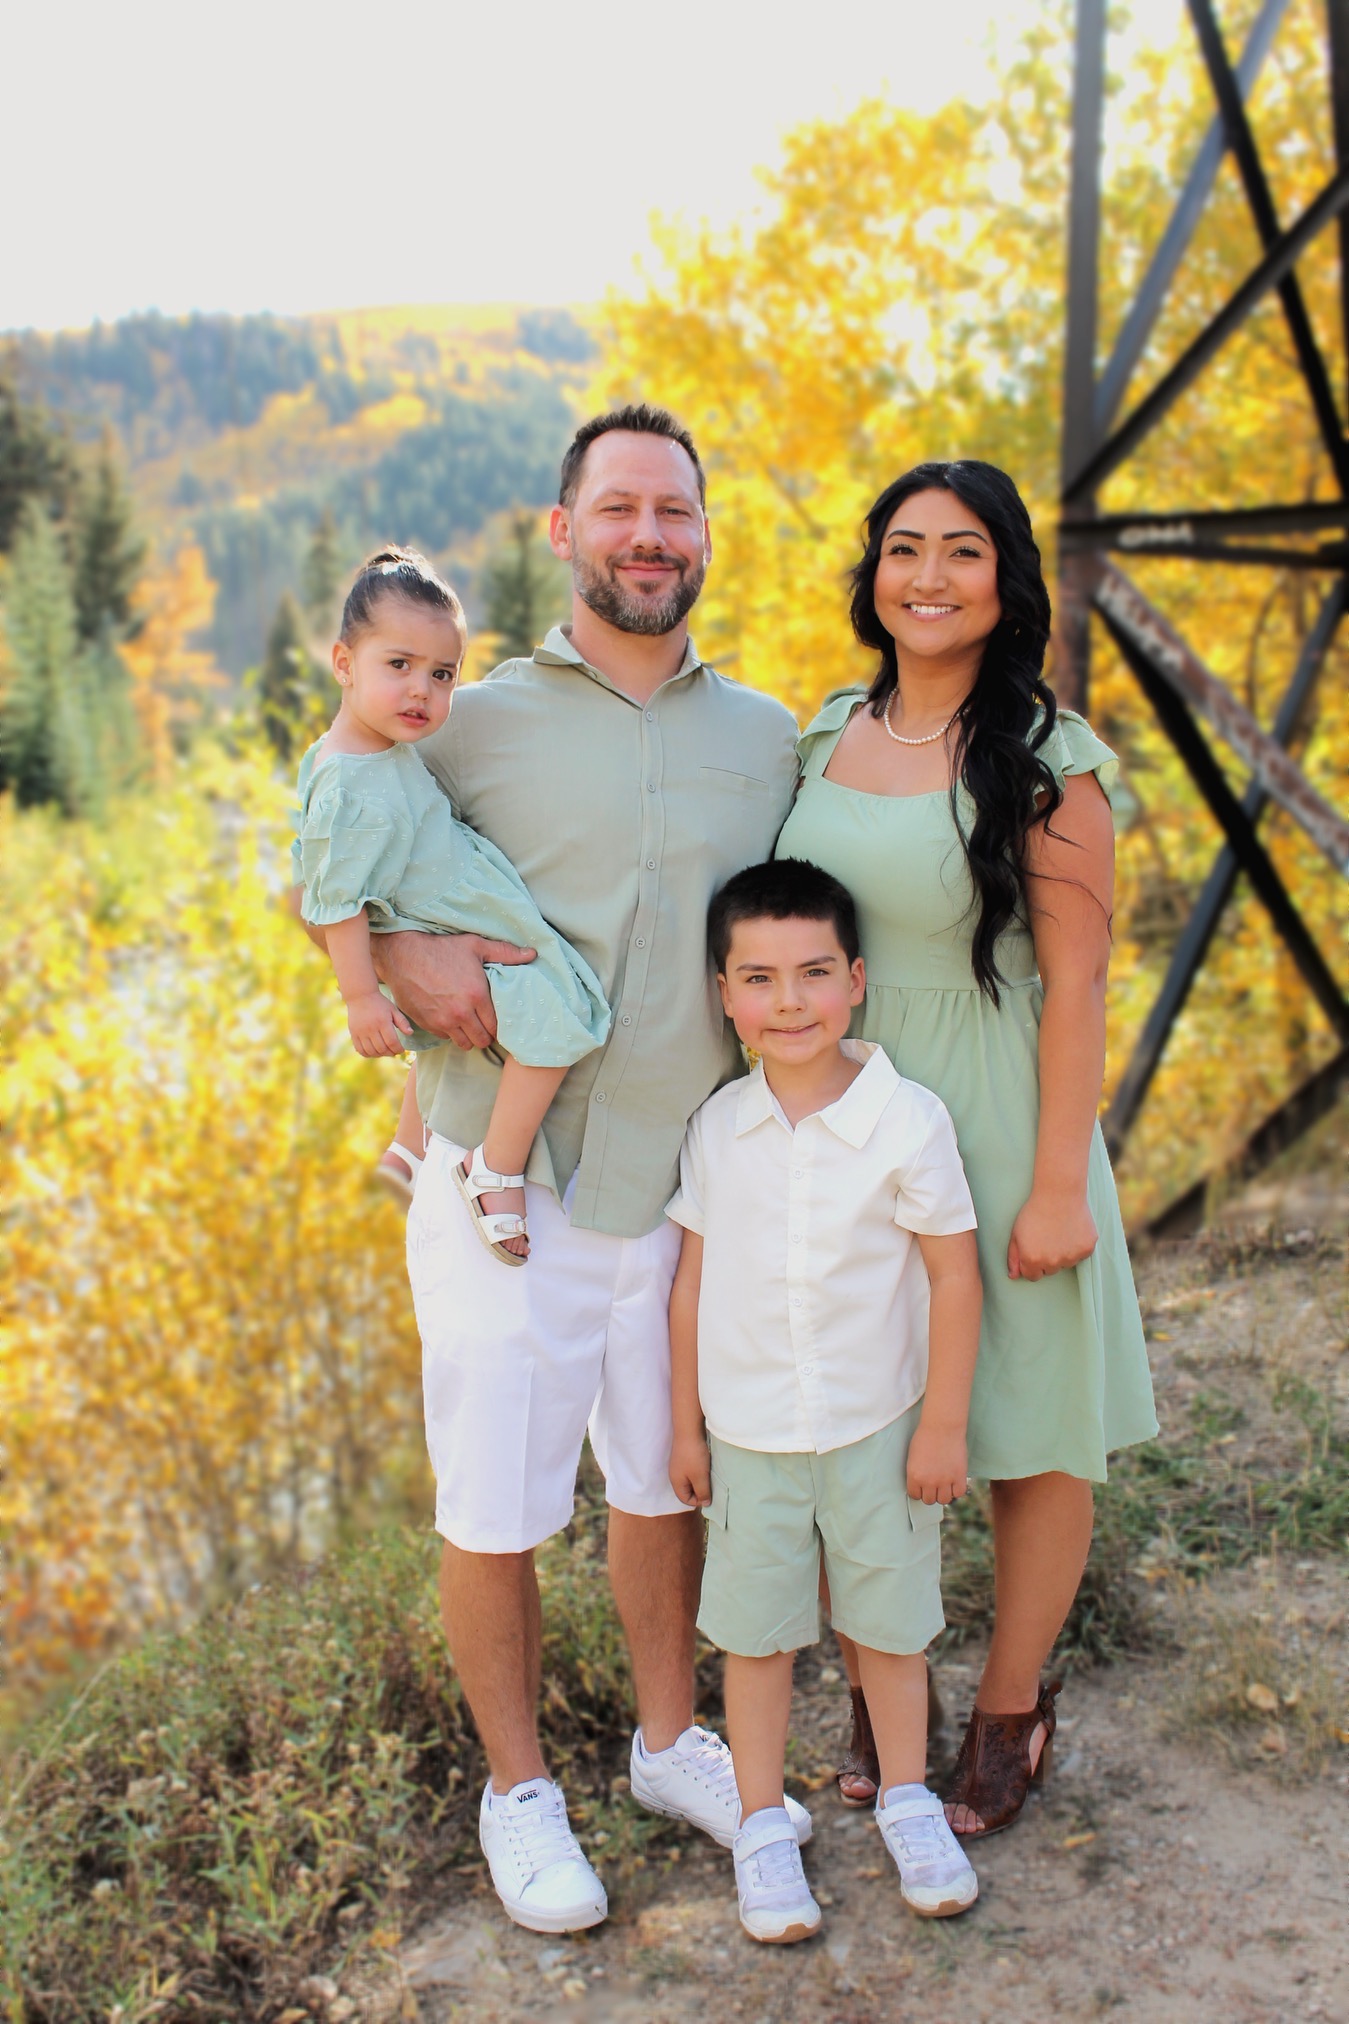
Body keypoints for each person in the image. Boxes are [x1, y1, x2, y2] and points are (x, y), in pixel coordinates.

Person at [311, 406, 804, 1934]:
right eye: (618, 509)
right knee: (497, 1501)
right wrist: (397, 958)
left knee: (663, 1479)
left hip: (683, 1186)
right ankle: (519, 1793)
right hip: (499, 1182)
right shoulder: (467, 718)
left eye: (675, 511)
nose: (648, 536)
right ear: (562, 529)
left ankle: (667, 1744)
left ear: (703, 534)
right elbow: (329, 836)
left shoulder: (766, 737)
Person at [776, 459, 1158, 1835]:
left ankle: (1008, 1708)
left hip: (999, 1112)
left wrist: (1058, 1185)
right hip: (849, 1118)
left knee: (1027, 1424)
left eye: (960, 551)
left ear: (1005, 582)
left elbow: (1079, 983)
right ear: (871, 573)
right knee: (860, 1418)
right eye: (902, 548)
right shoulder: (823, 734)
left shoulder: (1052, 761)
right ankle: (887, 1697)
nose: (926, 576)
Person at [666, 859, 983, 1943]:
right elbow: (690, 1284)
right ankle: (760, 1828)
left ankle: (908, 1801)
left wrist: (943, 1424)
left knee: (886, 1628)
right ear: (724, 994)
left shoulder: (908, 1120)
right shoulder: (717, 1127)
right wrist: (683, 1425)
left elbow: (952, 1275)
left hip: (877, 1424)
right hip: (748, 1431)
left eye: (812, 973)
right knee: (755, 1637)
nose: (788, 1001)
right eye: (757, 978)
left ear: (854, 978)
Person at [296, 546, 611, 1263]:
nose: (422, 691)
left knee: (453, 1028)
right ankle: (494, 1167)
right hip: (445, 910)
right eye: (398, 665)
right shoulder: (351, 784)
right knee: (561, 1009)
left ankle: (410, 1145)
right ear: (344, 664)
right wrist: (360, 998)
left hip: (448, 893)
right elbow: (336, 899)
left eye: (442, 674)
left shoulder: (372, 749)